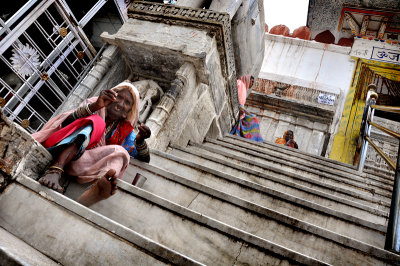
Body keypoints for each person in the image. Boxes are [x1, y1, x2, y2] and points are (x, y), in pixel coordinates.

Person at [32, 81, 151, 206]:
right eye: (119, 97)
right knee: (97, 122)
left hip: (82, 164)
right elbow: (65, 124)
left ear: (127, 112)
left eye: (127, 103)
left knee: (122, 153)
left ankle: (95, 190)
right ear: (111, 96)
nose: (120, 104)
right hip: (60, 149)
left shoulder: (123, 130)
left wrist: (140, 140)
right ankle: (54, 171)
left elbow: (145, 159)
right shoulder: (95, 103)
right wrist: (94, 107)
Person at [230, 75, 263, 142]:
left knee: (254, 118)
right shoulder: (240, 83)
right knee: (254, 119)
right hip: (240, 108)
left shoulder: (244, 88)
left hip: (241, 109)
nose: (252, 84)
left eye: (253, 82)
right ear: (247, 79)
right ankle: (253, 138)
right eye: (252, 81)